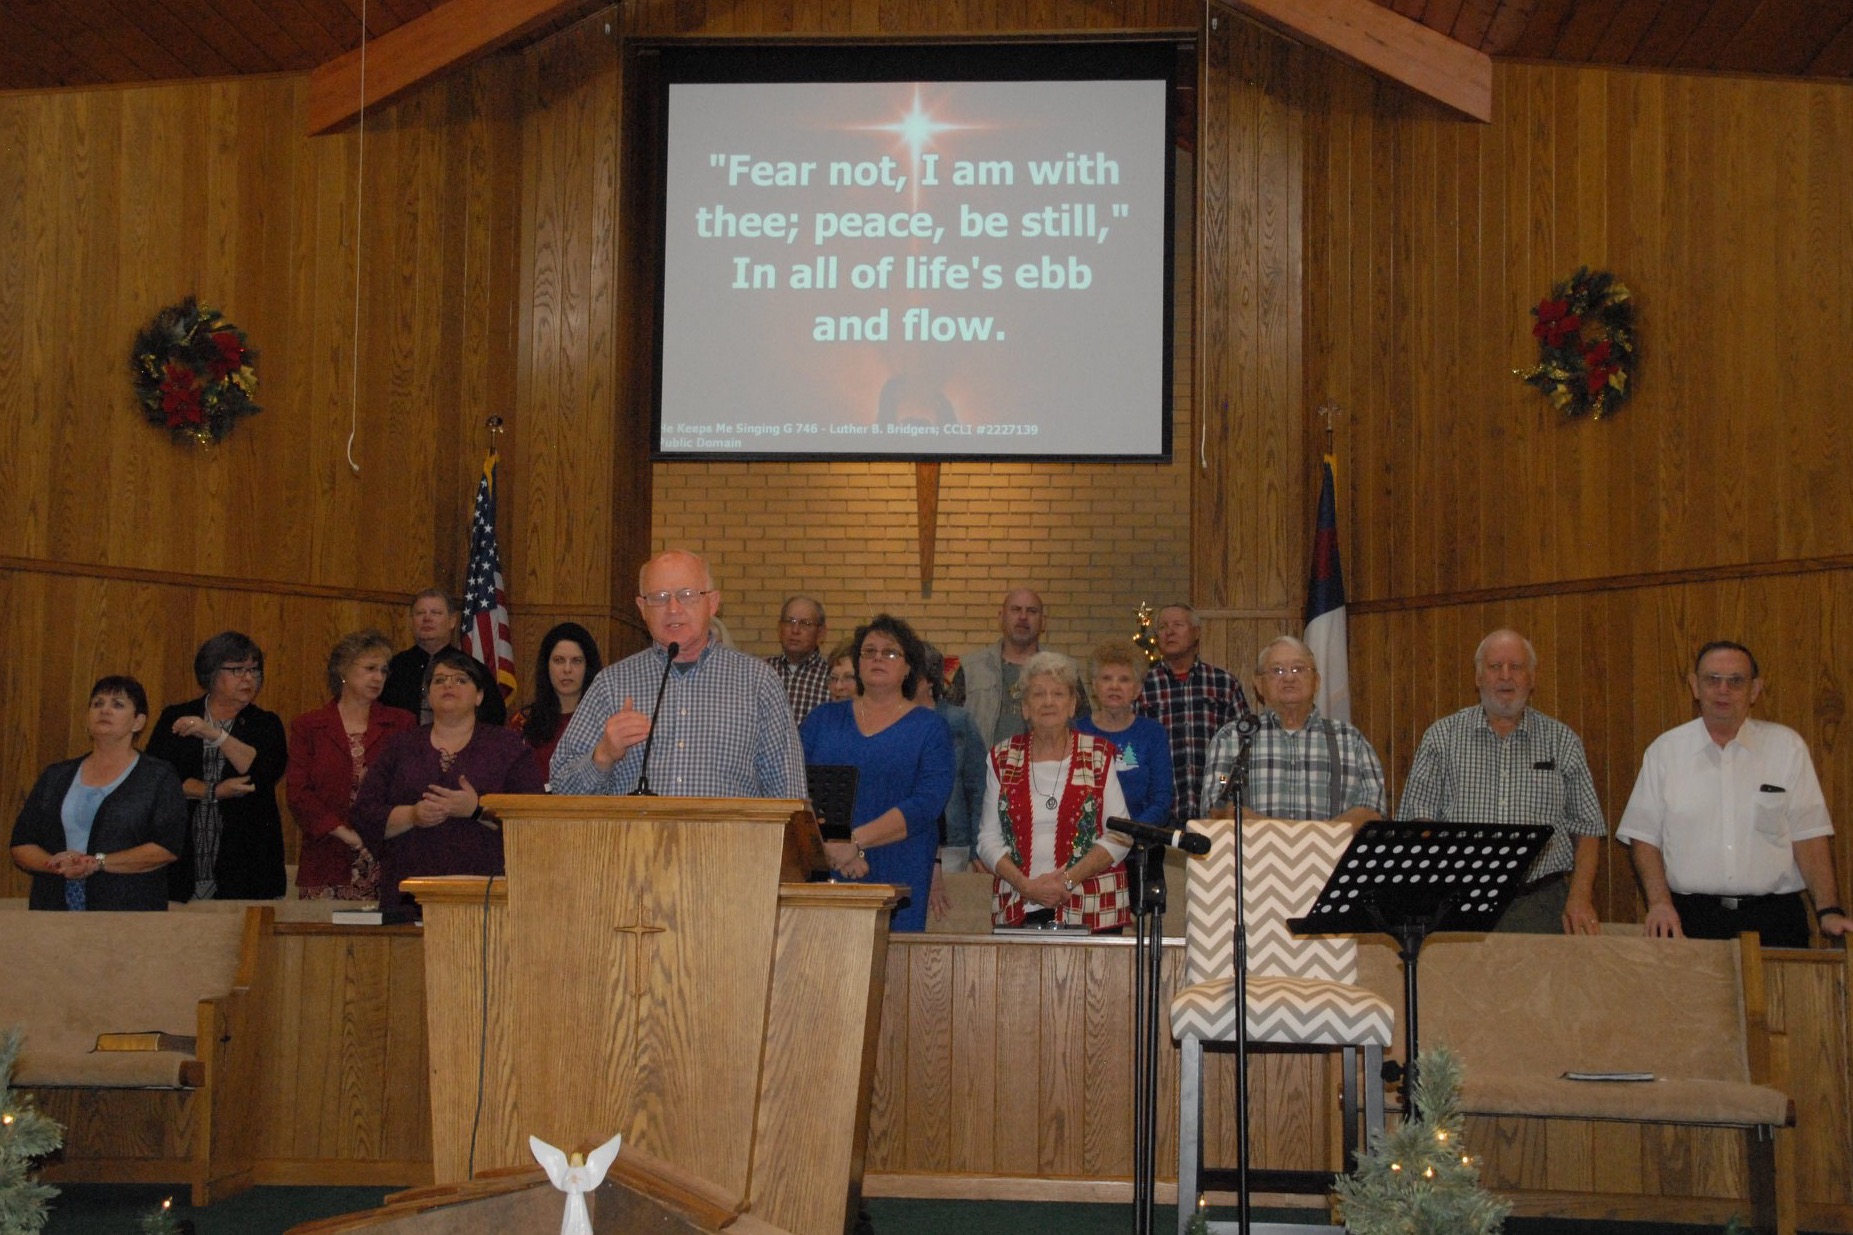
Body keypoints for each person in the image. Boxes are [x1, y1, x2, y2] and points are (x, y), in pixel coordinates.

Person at [1617, 641, 1849, 947]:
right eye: (1712, 680)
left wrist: (1828, 910)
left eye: (1736, 681)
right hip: (1689, 919)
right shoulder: (1665, 752)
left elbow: (1809, 835)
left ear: (1754, 690)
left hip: (1775, 918)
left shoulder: (1786, 747)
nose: (1723, 690)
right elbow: (1644, 838)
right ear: (1694, 686)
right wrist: (1659, 903)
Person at [1397, 628, 1606, 934]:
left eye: (1516, 667)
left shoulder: (1561, 741)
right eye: (1495, 667)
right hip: (1458, 899)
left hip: (1541, 903)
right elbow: (1418, 818)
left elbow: (1587, 828)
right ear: (1478, 677)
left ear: (1532, 678)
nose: (1505, 676)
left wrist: (1580, 896)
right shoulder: (1441, 738)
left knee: (1543, 984)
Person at [551, 550, 805, 798]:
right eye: (659, 597)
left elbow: (789, 795)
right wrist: (603, 755)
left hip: (727, 841)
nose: (673, 608)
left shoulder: (758, 683)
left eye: (687, 595)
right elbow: (561, 786)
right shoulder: (612, 684)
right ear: (642, 608)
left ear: (713, 603)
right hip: (634, 841)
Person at [353, 648, 544, 910]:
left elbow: (533, 819)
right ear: (428, 695)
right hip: (408, 897)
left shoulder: (508, 747)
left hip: (485, 898)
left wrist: (476, 810)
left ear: (479, 696)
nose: (448, 685)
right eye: (439, 680)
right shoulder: (400, 746)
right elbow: (364, 813)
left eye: (460, 680)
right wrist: (412, 815)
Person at [799, 615, 955, 933]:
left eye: (890, 652)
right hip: (829, 867)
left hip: (900, 866)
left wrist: (854, 842)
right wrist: (833, 847)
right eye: (868, 651)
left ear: (909, 666)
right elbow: (795, 787)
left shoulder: (930, 728)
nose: (878, 658)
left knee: (893, 973)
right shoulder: (822, 720)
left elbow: (927, 803)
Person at [976, 652, 1133, 932]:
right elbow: (987, 839)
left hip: (1093, 906)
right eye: (1038, 694)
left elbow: (1120, 835)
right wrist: (1026, 886)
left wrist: (1067, 881)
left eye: (1058, 694)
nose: (1048, 702)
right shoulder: (1001, 757)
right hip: (1018, 903)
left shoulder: (1098, 755)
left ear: (1073, 705)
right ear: (1025, 707)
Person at [10, 675, 187, 911]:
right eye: (97, 703)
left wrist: (97, 863)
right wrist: (58, 865)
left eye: (118, 704)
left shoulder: (158, 777)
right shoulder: (56, 776)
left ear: (138, 722)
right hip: (54, 912)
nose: (105, 710)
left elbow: (166, 848)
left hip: (129, 914)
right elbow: (22, 844)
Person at [147, 631, 289, 901]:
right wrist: (214, 791)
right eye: (237, 670)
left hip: (246, 866)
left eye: (254, 670)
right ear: (211, 672)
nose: (249, 678)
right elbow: (159, 782)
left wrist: (215, 734)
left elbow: (260, 774)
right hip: (182, 859)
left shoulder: (266, 724)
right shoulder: (176, 717)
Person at [286, 629, 417, 900]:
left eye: (383, 670)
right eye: (370, 668)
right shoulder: (309, 726)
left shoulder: (402, 723)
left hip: (386, 855)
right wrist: (344, 833)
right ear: (342, 670)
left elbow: (410, 785)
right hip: (328, 855)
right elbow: (298, 793)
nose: (378, 677)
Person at [1200, 635, 1385, 824]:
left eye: (1299, 669)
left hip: (1332, 854)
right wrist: (1281, 835)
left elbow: (1372, 808)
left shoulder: (1350, 740)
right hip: (1252, 853)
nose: (1289, 677)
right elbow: (1216, 803)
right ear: (1258, 684)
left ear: (1317, 681)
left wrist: (1318, 838)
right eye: (1277, 670)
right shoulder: (1232, 739)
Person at [1138, 603, 1250, 824]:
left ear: (1196, 632)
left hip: (1215, 814)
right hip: (1159, 815)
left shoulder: (1224, 683)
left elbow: (1243, 746)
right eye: (1162, 627)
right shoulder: (1142, 685)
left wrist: (1223, 792)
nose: (1169, 632)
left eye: (1178, 625)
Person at [955, 587, 1088, 748]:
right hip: (985, 771)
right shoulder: (971, 669)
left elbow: (1083, 726)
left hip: (1048, 771)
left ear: (1043, 622)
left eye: (1032, 611)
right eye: (1016, 610)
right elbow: (951, 726)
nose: (1023, 617)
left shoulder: (1065, 670)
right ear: (1001, 617)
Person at [1075, 639, 1174, 826]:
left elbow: (1161, 800)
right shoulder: (1077, 731)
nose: (1114, 686)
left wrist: (1128, 833)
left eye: (1124, 679)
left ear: (1137, 689)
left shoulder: (1153, 734)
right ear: (1094, 686)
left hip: (1139, 841)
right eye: (1106, 678)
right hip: (1085, 840)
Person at [380, 588, 507, 726]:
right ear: (411, 621)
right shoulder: (394, 667)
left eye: (435, 613)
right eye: (420, 613)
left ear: (452, 621)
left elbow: (494, 717)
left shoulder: (473, 669)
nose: (427, 618)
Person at [509, 622, 603, 785]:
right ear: (546, 666)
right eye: (559, 660)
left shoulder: (603, 719)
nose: (567, 669)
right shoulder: (523, 721)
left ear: (588, 667)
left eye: (576, 661)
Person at [920, 642, 987, 872]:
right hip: (902, 837)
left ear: (929, 681)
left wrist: (978, 846)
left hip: (953, 842)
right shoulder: (891, 722)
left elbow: (978, 786)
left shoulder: (958, 721)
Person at [767, 595, 831, 725]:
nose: (795, 630)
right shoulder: (762, 671)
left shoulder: (832, 678)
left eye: (805, 624)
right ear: (779, 629)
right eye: (789, 622)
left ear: (821, 633)